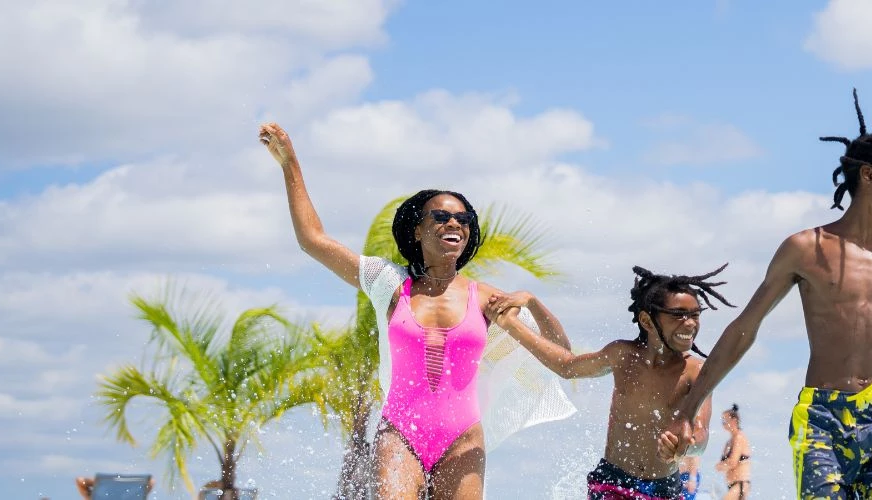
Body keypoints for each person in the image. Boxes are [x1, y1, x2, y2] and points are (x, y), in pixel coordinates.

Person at [665, 87, 872, 500]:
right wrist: (688, 407)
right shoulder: (805, 249)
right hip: (822, 418)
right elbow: (745, 329)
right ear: (869, 175)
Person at [258, 123, 575, 499]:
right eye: (440, 217)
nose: (454, 222)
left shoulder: (487, 299)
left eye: (463, 219)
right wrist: (289, 163)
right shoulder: (389, 285)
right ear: (417, 231)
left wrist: (535, 305)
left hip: (463, 438)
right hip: (399, 435)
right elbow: (313, 240)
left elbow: (563, 357)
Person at [491, 266, 731, 500]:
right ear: (647, 321)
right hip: (612, 483)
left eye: (695, 315)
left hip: (664, 490)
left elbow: (701, 435)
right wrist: (520, 314)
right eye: (678, 315)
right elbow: (566, 365)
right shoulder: (623, 355)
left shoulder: (695, 372)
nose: (690, 323)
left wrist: (685, 446)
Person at [715, 405, 752, 500]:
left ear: (734, 421)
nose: (722, 424)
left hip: (740, 484)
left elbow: (732, 462)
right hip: (733, 484)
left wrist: (721, 466)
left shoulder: (739, 437)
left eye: (724, 421)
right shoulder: (729, 441)